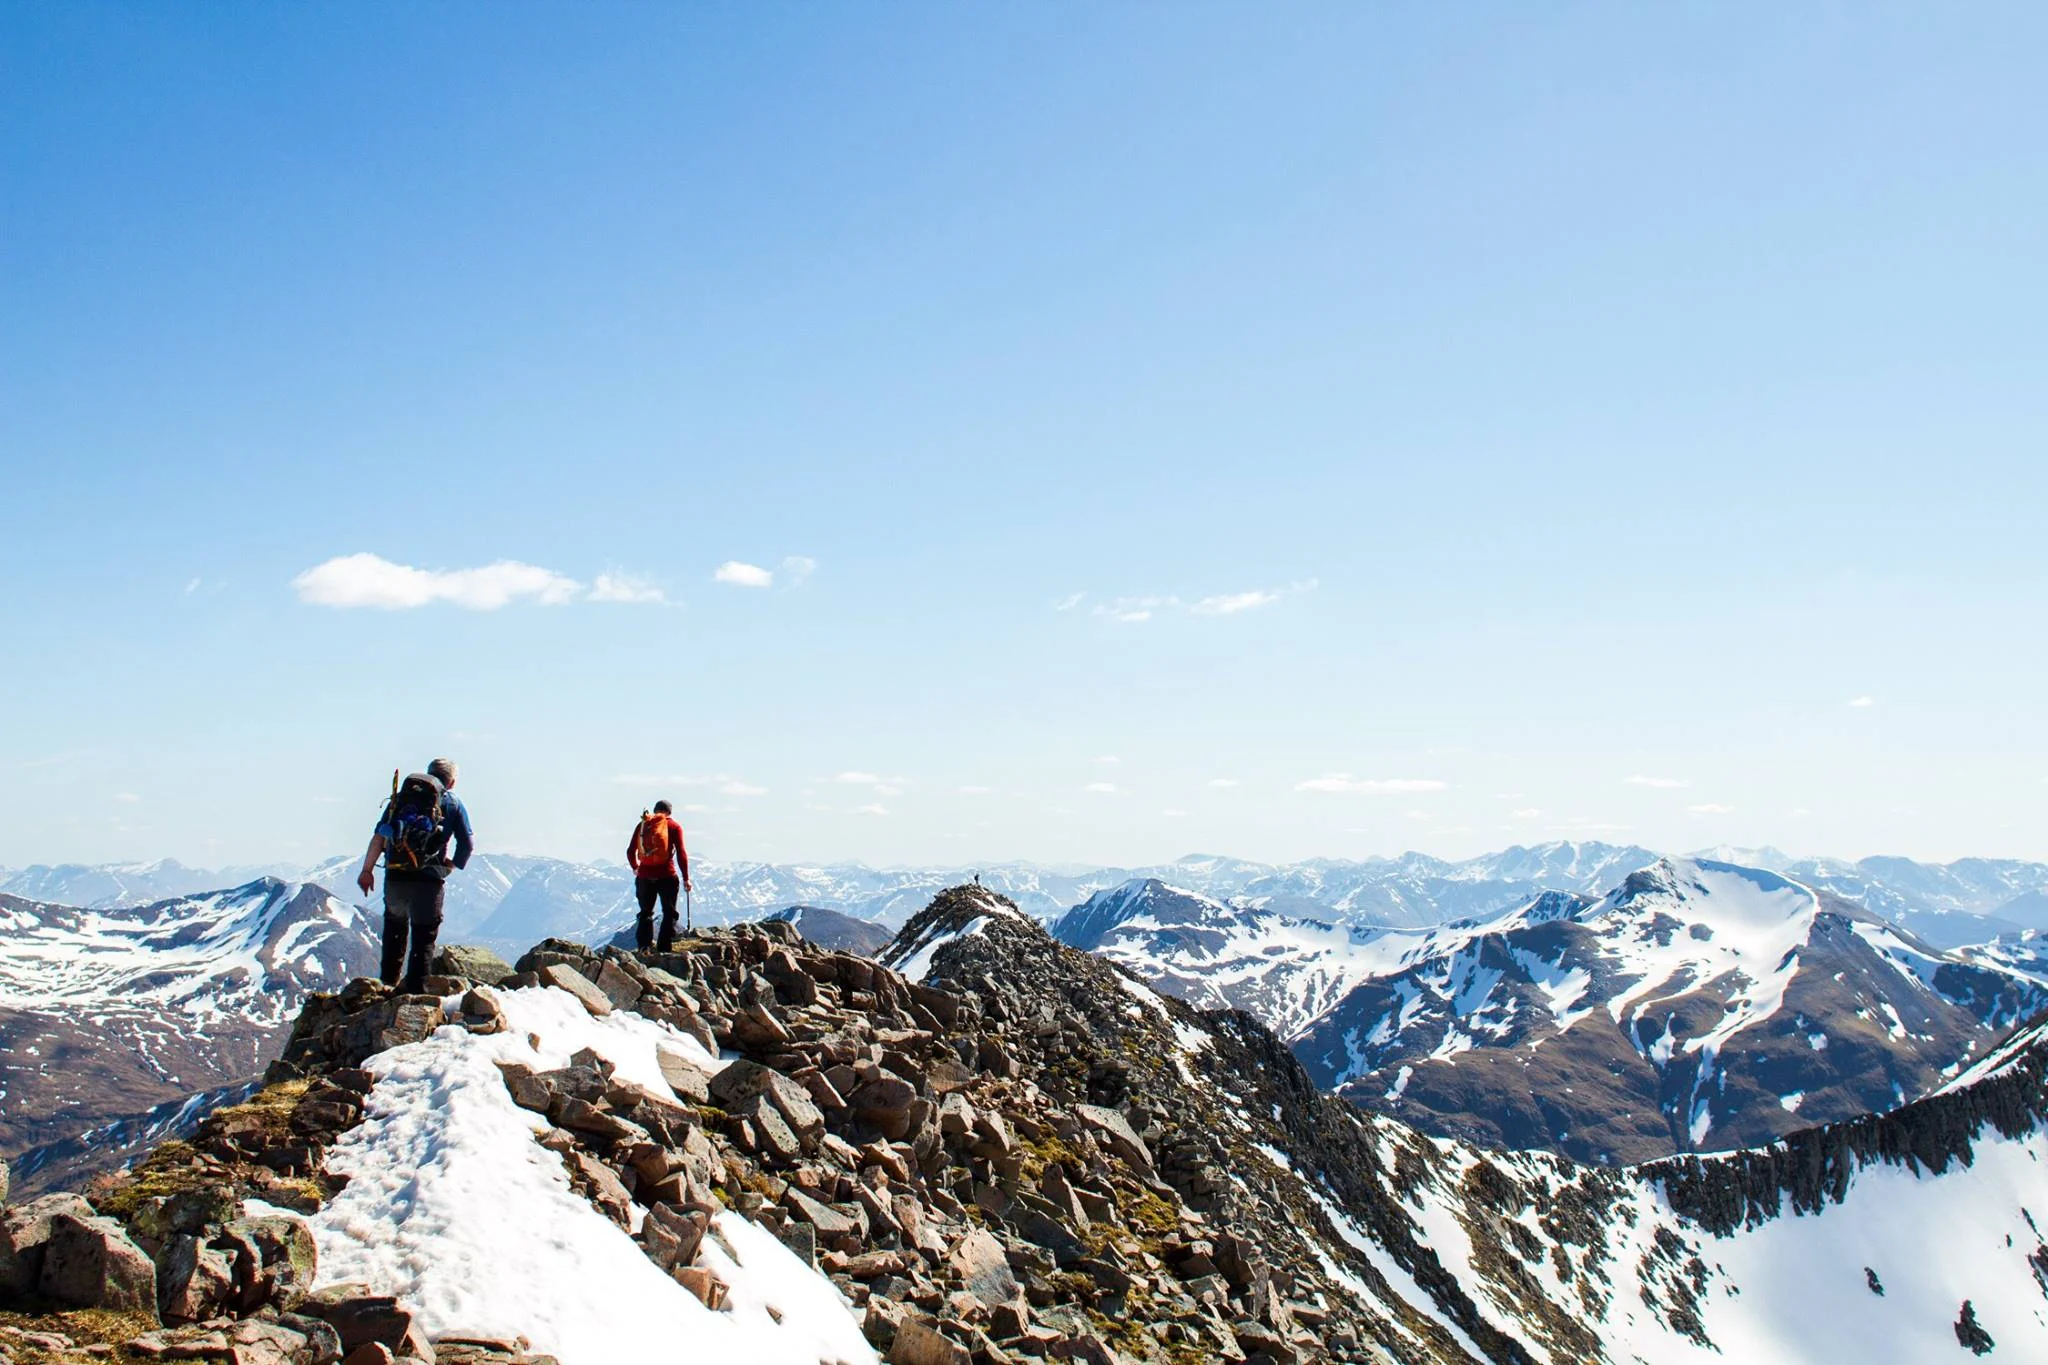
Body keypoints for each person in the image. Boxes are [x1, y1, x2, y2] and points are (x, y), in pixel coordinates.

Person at [355, 757, 474, 994]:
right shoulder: (453, 803)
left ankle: (387, 985)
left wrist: (367, 870)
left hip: (396, 876)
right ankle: (415, 994)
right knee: (424, 936)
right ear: (451, 782)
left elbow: (380, 837)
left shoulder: (401, 800)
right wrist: (453, 864)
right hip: (429, 879)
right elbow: (467, 843)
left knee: (394, 929)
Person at [627, 799, 692, 952]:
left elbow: (630, 851)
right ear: (670, 812)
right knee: (669, 912)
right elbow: (681, 854)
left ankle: (644, 947)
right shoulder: (674, 826)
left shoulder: (643, 825)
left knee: (645, 913)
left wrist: (636, 867)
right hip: (667, 875)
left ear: (654, 810)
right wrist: (686, 878)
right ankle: (664, 948)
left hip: (644, 876)